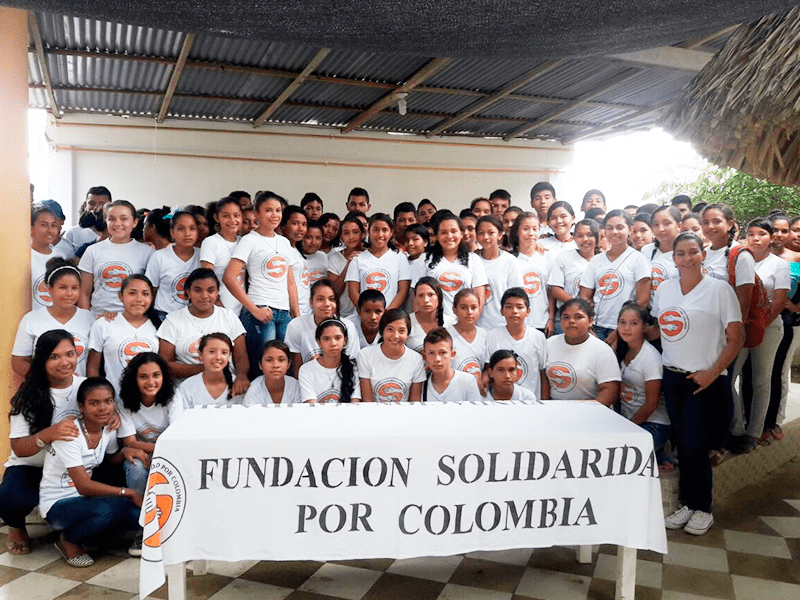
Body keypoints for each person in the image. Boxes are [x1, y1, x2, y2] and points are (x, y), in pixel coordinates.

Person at [655, 232, 743, 535]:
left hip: (704, 380)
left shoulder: (719, 290)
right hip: (673, 376)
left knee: (696, 445)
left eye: (693, 252)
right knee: (682, 444)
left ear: (703, 254)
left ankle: (702, 508)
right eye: (680, 253)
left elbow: (736, 338)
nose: (687, 258)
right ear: (673, 258)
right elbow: (659, 328)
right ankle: (687, 504)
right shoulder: (665, 289)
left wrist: (713, 372)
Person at [40, 377, 145, 567]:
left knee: (137, 516)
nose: (103, 408)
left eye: (108, 401)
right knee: (109, 510)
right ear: (81, 407)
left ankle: (90, 535)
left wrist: (125, 452)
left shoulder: (108, 428)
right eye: (94, 403)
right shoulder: (69, 434)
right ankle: (68, 540)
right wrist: (128, 492)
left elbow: (110, 459)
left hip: (86, 501)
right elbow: (84, 486)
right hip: (58, 505)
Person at [0, 331, 84, 556]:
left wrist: (113, 418)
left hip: (74, 466)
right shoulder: (28, 394)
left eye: (69, 354)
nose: (64, 362)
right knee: (11, 497)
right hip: (32, 466)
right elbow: (19, 448)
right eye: (54, 357)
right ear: (42, 360)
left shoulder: (86, 387)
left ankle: (71, 531)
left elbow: (106, 412)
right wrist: (48, 434)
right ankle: (16, 525)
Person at [729, 218, 788, 449]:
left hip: (769, 328)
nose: (756, 238)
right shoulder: (738, 259)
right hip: (741, 327)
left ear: (771, 238)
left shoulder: (778, 264)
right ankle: (737, 428)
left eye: (762, 234)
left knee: (760, 380)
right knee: (730, 379)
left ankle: (754, 432)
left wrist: (758, 327)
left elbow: (779, 301)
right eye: (751, 234)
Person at [224, 192, 299, 370]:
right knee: (263, 368)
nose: (274, 215)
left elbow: (290, 282)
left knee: (283, 368)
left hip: (284, 314)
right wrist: (254, 309)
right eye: (268, 210)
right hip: (260, 312)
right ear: (256, 213)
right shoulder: (250, 240)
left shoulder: (284, 242)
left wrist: (296, 315)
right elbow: (229, 277)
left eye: (278, 210)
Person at [157, 268, 249, 392]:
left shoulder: (228, 317)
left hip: (225, 388)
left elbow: (241, 358)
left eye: (210, 290)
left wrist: (242, 377)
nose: (204, 296)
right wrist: (207, 369)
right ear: (188, 292)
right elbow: (165, 364)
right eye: (197, 290)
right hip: (185, 391)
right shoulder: (173, 320)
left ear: (217, 293)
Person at [12, 260, 94, 379]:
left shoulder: (89, 318)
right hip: (43, 389)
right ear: (49, 289)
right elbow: (18, 362)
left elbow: (94, 362)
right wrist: (48, 379)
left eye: (75, 288)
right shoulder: (31, 320)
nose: (69, 293)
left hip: (78, 389)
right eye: (63, 288)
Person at [116, 353, 181, 502]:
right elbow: (129, 443)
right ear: (134, 379)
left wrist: (159, 451)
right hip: (141, 453)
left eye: (156, 375)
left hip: (170, 452)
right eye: (143, 377)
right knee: (136, 466)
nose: (151, 382)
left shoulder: (173, 395)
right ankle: (139, 509)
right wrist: (152, 451)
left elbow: (176, 439)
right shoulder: (124, 401)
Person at [579, 209, 650, 342]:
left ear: (630, 229)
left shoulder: (638, 259)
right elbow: (584, 296)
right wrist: (588, 326)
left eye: (620, 227)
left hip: (625, 329)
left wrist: (619, 331)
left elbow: (643, 301)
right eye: (609, 228)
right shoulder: (596, 260)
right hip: (596, 327)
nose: (614, 232)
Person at [615, 302, 671, 472]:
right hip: (629, 421)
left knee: (621, 458)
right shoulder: (622, 350)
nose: (626, 328)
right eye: (622, 322)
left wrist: (628, 428)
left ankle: (660, 452)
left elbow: (651, 404)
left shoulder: (650, 357)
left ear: (645, 327)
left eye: (634, 323)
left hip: (653, 424)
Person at [87, 275, 160, 394]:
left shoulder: (158, 327)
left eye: (145, 294)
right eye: (132, 293)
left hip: (148, 398)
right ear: (120, 296)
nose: (139, 299)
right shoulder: (104, 324)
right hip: (114, 398)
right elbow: (93, 368)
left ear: (152, 298)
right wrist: (100, 395)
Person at [78, 200, 154, 315]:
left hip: (133, 318)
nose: (118, 224)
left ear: (134, 222)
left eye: (124, 219)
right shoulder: (92, 251)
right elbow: (84, 293)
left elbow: (152, 292)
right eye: (112, 219)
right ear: (106, 221)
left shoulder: (148, 252)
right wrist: (88, 319)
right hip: (99, 318)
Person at [542, 298, 620, 405]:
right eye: (566, 317)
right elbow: (543, 379)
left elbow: (610, 391)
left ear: (590, 321)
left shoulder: (602, 350)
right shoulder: (549, 343)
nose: (571, 321)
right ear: (560, 321)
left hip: (590, 409)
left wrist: (582, 408)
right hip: (553, 406)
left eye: (578, 317)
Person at [768, 213, 800, 442]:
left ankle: (774, 420)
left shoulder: (796, 258)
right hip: (761, 320)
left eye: (785, 230)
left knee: (779, 371)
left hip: (789, 321)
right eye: (795, 230)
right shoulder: (758, 254)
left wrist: (794, 306)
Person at [285, 279, 361, 374]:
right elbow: (297, 370)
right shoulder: (297, 325)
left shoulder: (348, 326)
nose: (327, 304)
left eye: (331, 299)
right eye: (320, 299)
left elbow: (352, 364)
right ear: (311, 302)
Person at [485, 288, 547, 398]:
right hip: (499, 401)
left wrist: (544, 403)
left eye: (519, 307)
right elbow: (488, 370)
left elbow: (543, 373)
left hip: (531, 401)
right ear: (501, 311)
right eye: (509, 307)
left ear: (528, 311)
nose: (514, 311)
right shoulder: (492, 336)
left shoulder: (538, 337)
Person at [426, 212, 487, 318]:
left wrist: (470, 321)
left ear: (461, 234)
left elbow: (480, 297)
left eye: (454, 231)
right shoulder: (425, 259)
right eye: (443, 232)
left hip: (464, 322)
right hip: (435, 324)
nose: (449, 236)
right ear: (436, 236)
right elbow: (417, 297)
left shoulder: (473, 259)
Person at [356, 309, 426, 402]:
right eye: (390, 329)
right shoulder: (365, 355)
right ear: (382, 331)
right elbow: (367, 400)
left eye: (401, 331)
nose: (395, 336)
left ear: (408, 334)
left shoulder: (416, 359)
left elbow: (415, 401)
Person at [346, 213, 410, 312]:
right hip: (364, 317)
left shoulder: (400, 258)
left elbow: (403, 291)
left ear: (391, 233)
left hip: (390, 316)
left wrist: (386, 313)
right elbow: (353, 292)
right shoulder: (357, 259)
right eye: (376, 230)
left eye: (385, 230)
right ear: (368, 232)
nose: (380, 235)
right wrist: (367, 312)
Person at [145, 210, 200, 320]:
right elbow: (150, 291)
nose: (187, 233)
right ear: (172, 232)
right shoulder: (159, 257)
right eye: (181, 229)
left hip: (193, 317)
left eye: (192, 228)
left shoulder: (203, 256)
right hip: (164, 317)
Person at [508, 212, 555, 334]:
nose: (531, 233)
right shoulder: (510, 259)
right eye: (525, 229)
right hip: (517, 323)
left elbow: (550, 292)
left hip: (542, 322)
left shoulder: (546, 256)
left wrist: (551, 319)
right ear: (517, 232)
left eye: (535, 229)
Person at [550, 219, 599, 333]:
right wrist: (577, 306)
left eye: (590, 235)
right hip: (567, 316)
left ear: (597, 237)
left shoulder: (603, 260)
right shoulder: (564, 257)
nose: (585, 239)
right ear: (574, 238)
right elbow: (555, 289)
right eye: (580, 236)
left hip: (597, 320)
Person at [200, 196, 245, 316]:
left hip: (243, 311)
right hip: (220, 310)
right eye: (226, 216)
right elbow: (206, 278)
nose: (232, 220)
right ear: (217, 217)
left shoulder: (243, 242)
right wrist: (219, 306)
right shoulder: (211, 242)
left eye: (236, 215)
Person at [476, 215, 523, 329]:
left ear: (500, 235)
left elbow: (516, 294)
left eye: (491, 232)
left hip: (502, 324)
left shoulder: (509, 261)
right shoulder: (472, 259)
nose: (485, 237)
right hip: (477, 325)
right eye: (481, 233)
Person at [299, 319, 361, 403]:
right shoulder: (306, 370)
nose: (333, 343)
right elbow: (311, 406)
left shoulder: (353, 369)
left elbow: (354, 404)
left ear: (345, 341)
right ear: (319, 342)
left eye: (338, 338)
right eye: (326, 339)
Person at [175, 333, 242, 407]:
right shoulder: (186, 387)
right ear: (200, 354)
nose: (218, 357)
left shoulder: (239, 386)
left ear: (229, 356)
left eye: (224, 353)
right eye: (212, 352)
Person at [421, 328, 480, 402]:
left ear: (452, 354)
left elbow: (474, 408)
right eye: (431, 353)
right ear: (425, 356)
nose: (437, 359)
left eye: (443, 353)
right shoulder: (421, 383)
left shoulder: (468, 381)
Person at [447, 288, 489, 383]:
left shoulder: (485, 336)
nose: (469, 312)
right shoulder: (446, 336)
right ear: (454, 310)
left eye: (473, 307)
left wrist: (485, 376)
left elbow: (488, 365)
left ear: (479, 309)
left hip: (478, 389)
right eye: (464, 307)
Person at [327, 214, 365, 317]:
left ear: (362, 235)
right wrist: (348, 265)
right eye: (346, 233)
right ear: (341, 236)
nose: (351, 237)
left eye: (355, 232)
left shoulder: (369, 256)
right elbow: (334, 291)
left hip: (365, 314)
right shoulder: (335, 257)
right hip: (341, 315)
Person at [243, 341, 302, 406]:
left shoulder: (295, 387)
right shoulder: (254, 389)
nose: (275, 365)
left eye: (281, 360)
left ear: (289, 364)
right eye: (269, 360)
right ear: (260, 365)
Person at [30, 204, 66, 309]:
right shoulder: (24, 256)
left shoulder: (61, 255)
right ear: (31, 228)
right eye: (44, 225)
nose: (50, 230)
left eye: (53, 225)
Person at [405, 277, 454, 352]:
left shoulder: (451, 323)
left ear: (439, 297)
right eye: (421, 295)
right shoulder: (406, 322)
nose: (426, 300)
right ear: (415, 298)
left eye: (431, 295)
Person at [643, 206, 681, 301]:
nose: (661, 229)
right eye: (656, 225)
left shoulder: (687, 252)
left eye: (667, 223)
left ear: (679, 226)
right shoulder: (647, 251)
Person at [61, 186, 110, 258]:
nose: (96, 208)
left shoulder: (117, 232)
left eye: (102, 204)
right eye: (91, 203)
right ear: (85, 206)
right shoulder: (72, 233)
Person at [281, 206, 312, 315]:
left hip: (305, 311)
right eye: (295, 223)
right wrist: (296, 313)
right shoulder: (282, 249)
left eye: (304, 224)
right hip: (292, 313)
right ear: (284, 225)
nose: (301, 228)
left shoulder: (297, 250)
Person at [299, 219, 328, 285]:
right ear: (302, 238)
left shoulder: (323, 256)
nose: (314, 242)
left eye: (318, 238)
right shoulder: (296, 256)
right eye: (308, 237)